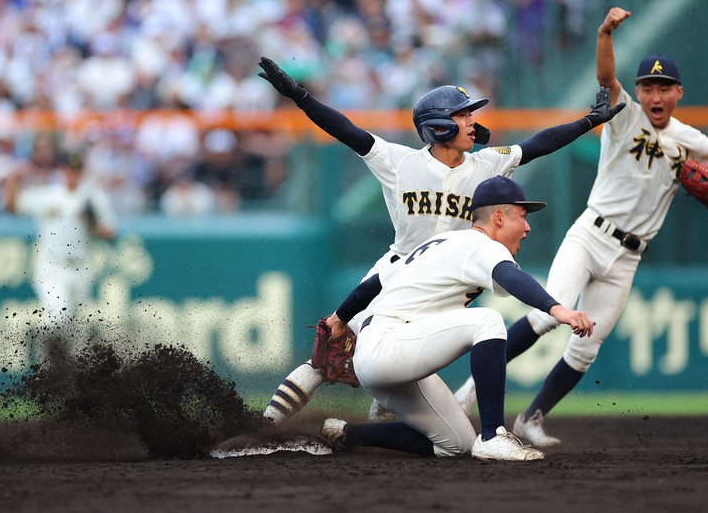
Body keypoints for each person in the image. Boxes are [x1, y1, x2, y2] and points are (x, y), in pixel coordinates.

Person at [257, 56, 625, 425]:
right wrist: (300, 96)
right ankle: (262, 429)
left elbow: (539, 144)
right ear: (436, 125)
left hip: (448, 289)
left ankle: (372, 443)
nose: (472, 122)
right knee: (326, 357)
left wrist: (588, 121)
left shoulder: (486, 164)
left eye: (470, 115)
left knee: (407, 378)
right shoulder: (399, 162)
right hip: (394, 277)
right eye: (462, 115)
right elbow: (345, 130)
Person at [456, 7, 708, 448]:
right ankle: (471, 392)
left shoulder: (689, 139)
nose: (655, 94)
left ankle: (531, 419)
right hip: (591, 234)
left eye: (664, 86)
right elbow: (608, 77)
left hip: (628, 255)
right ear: (641, 92)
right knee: (551, 311)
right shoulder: (625, 114)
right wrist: (605, 33)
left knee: (588, 346)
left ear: (678, 91)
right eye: (648, 86)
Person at [317, 176, 595, 461]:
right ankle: (493, 435)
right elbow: (511, 277)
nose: (527, 227)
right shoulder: (480, 244)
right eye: (522, 217)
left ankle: (349, 434)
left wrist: (339, 319)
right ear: (498, 217)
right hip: (390, 345)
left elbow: (374, 283)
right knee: (487, 321)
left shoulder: (442, 241)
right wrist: (556, 309)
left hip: (385, 356)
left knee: (456, 443)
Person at [5, 145, 117, 363]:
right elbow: (13, 206)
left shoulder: (94, 197)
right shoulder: (50, 195)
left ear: (83, 170)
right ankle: (56, 373)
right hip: (51, 267)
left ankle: (58, 374)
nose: (73, 173)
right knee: (57, 316)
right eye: (69, 168)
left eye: (77, 169)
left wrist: (92, 223)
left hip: (82, 268)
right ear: (62, 169)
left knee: (70, 326)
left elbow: (110, 233)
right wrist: (13, 180)